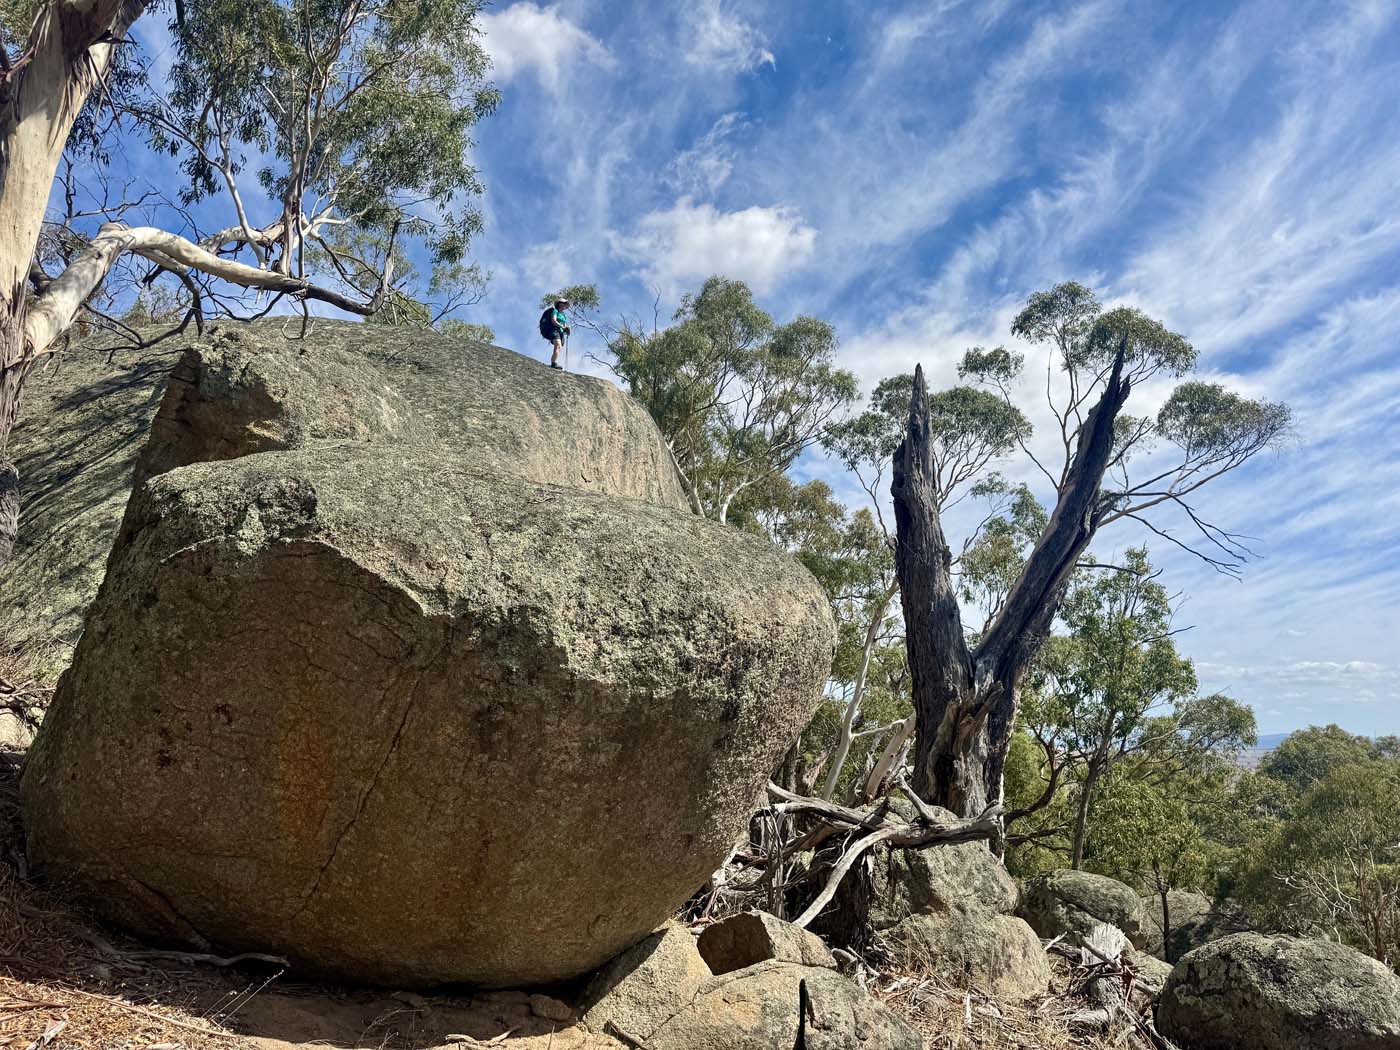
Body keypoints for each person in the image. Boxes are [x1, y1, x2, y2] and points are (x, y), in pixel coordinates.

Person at [538, 297, 571, 370]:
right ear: (560, 304)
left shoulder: (563, 315)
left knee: (559, 347)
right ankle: (554, 363)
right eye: (564, 303)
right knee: (558, 345)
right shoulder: (555, 311)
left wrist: (567, 329)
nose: (565, 305)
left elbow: (564, 325)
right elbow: (553, 320)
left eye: (566, 304)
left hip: (561, 332)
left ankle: (554, 362)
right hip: (554, 330)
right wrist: (562, 326)